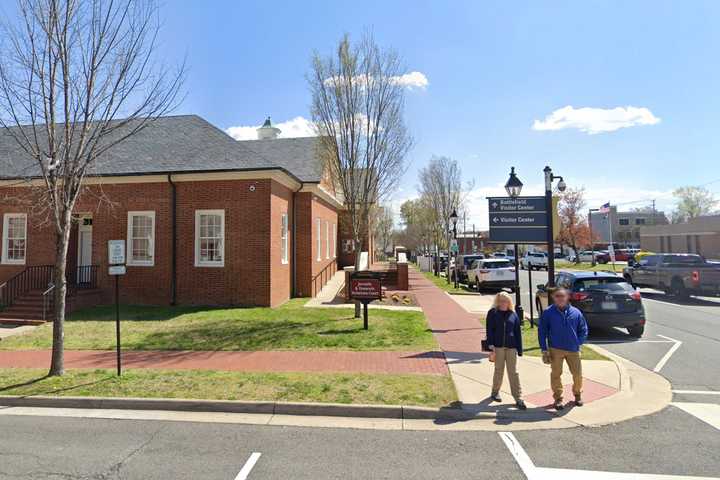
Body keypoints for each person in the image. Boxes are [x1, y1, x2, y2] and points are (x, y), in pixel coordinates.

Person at [538, 287, 589, 410]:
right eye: (557, 296)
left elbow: (583, 329)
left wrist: (578, 342)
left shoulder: (576, 312)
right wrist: (544, 349)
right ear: (553, 298)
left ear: (567, 297)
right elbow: (542, 331)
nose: (560, 298)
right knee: (556, 374)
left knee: (577, 374)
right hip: (555, 349)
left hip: (573, 349)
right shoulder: (548, 313)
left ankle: (577, 395)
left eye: (563, 296)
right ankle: (558, 398)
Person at [485, 291, 526, 410]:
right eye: (501, 300)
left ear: (509, 302)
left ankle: (518, 397)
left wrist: (520, 349)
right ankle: (495, 392)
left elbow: (517, 333)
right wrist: (491, 346)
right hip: (498, 347)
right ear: (497, 302)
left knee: (513, 372)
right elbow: (489, 330)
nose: (503, 303)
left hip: (511, 347)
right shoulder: (492, 313)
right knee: (499, 370)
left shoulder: (513, 314)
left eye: (505, 300)